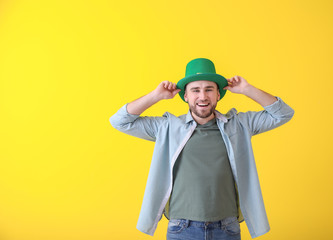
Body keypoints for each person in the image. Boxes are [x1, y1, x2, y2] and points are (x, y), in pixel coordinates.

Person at [109, 58, 295, 240]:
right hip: (182, 227)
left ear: (218, 94)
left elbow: (284, 114)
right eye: (195, 90)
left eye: (209, 90)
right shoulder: (167, 127)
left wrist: (247, 89)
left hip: (227, 227)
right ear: (186, 96)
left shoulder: (239, 125)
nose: (203, 96)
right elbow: (119, 121)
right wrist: (155, 95)